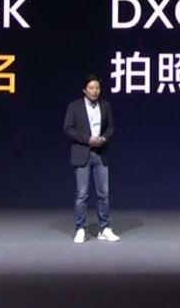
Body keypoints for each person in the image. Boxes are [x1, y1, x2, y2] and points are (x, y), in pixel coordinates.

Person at [63, 74, 120, 243]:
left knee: (103, 194)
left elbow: (111, 127)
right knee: (82, 194)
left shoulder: (106, 106)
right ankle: (80, 228)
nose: (95, 91)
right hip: (83, 153)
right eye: (91, 88)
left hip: (101, 153)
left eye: (97, 88)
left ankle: (105, 228)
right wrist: (87, 139)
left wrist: (104, 138)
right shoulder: (74, 106)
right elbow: (68, 128)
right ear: (84, 90)